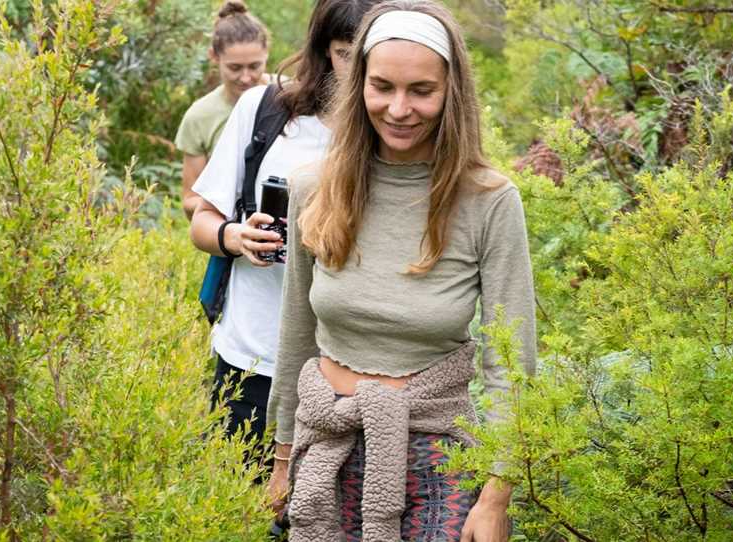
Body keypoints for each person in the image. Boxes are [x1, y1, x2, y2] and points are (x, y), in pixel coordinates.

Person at [266, 0, 537, 540]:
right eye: (382, 86)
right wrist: (281, 459)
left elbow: (512, 361)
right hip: (327, 451)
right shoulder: (312, 189)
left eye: (422, 90)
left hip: (438, 463)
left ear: (451, 93)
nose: (398, 108)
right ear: (357, 83)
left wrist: (496, 496)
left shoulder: (488, 201)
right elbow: (297, 335)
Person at [189, 0, 380, 460]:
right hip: (252, 354)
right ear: (322, 50)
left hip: (349, 367)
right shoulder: (266, 110)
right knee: (243, 503)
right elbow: (202, 219)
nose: (358, 68)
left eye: (370, 52)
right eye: (344, 52)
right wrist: (236, 237)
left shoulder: (394, 129)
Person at [175, 0, 270, 219]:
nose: (246, 78)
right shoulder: (199, 116)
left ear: (267, 53)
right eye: (234, 68)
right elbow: (190, 200)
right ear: (214, 57)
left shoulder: (289, 96)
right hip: (229, 237)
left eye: (255, 66)